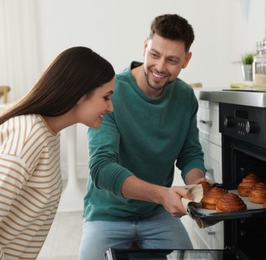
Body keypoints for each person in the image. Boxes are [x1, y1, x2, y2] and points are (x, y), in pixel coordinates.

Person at [79, 14, 206, 260]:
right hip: (106, 214)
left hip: (155, 213)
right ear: (145, 45)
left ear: (186, 60)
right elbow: (102, 169)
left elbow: (190, 154)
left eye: (171, 60)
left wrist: (199, 185)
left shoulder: (185, 97)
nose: (159, 67)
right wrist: (162, 195)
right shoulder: (111, 92)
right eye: (155, 55)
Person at [0, 46, 115, 259]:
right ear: (80, 94)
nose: (110, 107)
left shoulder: (47, 133)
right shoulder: (27, 137)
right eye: (106, 97)